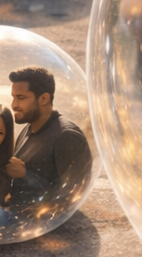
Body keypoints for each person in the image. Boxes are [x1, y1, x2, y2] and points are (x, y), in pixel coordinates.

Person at [5, 66, 93, 208]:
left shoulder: (67, 137)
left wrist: (26, 175)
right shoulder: (28, 129)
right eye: (13, 98)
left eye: (20, 98)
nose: (14, 105)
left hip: (47, 225)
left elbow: (73, 195)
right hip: (19, 216)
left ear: (44, 98)